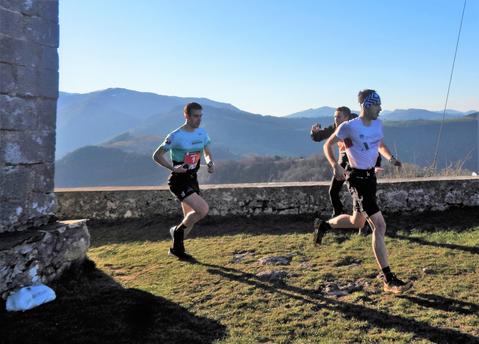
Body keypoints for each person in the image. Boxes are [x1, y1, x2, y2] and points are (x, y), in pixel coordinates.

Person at [314, 89, 412, 293]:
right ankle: (389, 279)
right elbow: (327, 145)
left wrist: (390, 157)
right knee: (380, 225)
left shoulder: (377, 124)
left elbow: (379, 143)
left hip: (370, 178)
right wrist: (335, 165)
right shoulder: (348, 126)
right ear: (367, 105)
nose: (381, 108)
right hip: (356, 178)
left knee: (356, 221)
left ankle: (323, 225)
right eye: (377, 105)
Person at [153, 102, 214, 260]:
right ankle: (176, 232)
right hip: (178, 180)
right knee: (202, 210)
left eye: (201, 116)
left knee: (189, 220)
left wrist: (209, 162)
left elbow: (207, 152)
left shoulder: (202, 133)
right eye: (195, 116)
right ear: (186, 116)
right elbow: (157, 156)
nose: (199, 119)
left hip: (193, 179)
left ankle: (176, 249)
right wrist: (173, 168)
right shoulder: (175, 135)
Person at [311, 107, 381, 234]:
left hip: (356, 169)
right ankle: (337, 218)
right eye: (334, 117)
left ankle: (362, 226)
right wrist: (314, 133)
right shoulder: (337, 128)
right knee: (333, 191)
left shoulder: (354, 126)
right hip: (342, 167)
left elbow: (371, 147)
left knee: (364, 201)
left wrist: (376, 164)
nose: (335, 120)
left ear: (346, 118)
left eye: (338, 117)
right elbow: (322, 139)